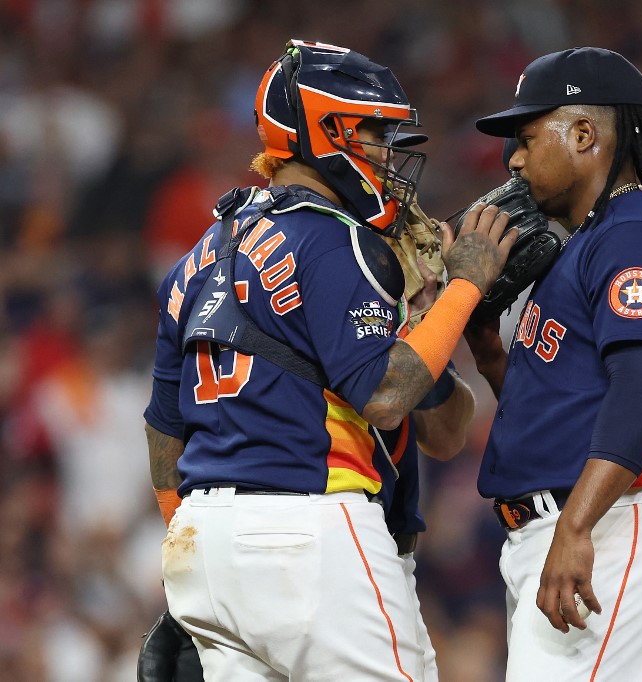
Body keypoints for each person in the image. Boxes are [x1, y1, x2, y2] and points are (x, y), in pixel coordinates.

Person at [142, 39, 515, 681]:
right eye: (374, 132)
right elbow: (385, 397)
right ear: (327, 128)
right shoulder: (334, 240)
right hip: (309, 529)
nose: (387, 153)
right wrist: (465, 288)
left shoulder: (199, 255)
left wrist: (193, 536)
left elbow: (162, 430)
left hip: (202, 542)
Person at [466, 47, 642, 680]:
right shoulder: (589, 242)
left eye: (525, 138)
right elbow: (558, 402)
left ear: (583, 134)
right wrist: (489, 349)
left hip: (607, 524)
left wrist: (574, 530)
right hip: (576, 524)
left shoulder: (634, 236)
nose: (513, 160)